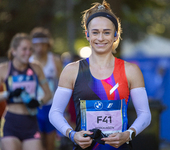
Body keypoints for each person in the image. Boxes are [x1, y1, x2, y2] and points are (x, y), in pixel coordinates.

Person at [49, 1, 151, 150]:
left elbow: (145, 114)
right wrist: (72, 134)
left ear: (116, 35)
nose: (101, 38)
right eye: (95, 32)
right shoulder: (72, 70)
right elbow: (55, 112)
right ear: (87, 35)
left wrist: (129, 134)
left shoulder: (131, 70)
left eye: (107, 32)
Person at [0, 33, 51, 150]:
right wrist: (8, 94)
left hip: (31, 122)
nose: (28, 53)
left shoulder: (36, 68)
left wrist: (38, 102)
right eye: (24, 49)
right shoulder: (4, 69)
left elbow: (48, 94)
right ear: (13, 51)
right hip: (11, 122)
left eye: (30, 49)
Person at [29, 27, 63, 150]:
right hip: (33, 107)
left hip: (51, 106)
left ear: (48, 45)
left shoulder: (55, 60)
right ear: (32, 45)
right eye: (36, 45)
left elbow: (63, 84)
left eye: (43, 45)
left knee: (50, 145)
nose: (40, 48)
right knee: (36, 144)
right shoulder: (28, 61)